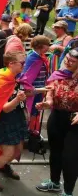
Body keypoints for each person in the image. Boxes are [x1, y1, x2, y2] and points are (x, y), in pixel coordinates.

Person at [35, 48, 78, 196]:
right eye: (67, 59)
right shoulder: (59, 74)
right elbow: (50, 90)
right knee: (56, 152)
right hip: (57, 117)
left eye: (72, 62)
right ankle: (54, 182)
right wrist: (48, 101)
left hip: (75, 123)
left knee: (70, 157)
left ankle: (68, 191)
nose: (67, 62)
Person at [0, 51, 29, 192]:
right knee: (8, 153)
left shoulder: (15, 77)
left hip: (16, 119)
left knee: (18, 151)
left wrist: (25, 108)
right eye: (22, 63)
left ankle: (4, 166)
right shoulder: (4, 78)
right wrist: (18, 99)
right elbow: (5, 108)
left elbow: (21, 93)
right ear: (11, 64)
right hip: (5, 121)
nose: (24, 65)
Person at [19, 35, 51, 132]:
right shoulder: (33, 58)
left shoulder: (37, 56)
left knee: (35, 111)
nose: (48, 47)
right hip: (34, 91)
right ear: (41, 46)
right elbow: (26, 77)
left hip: (39, 89)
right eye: (47, 45)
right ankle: (30, 131)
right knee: (32, 111)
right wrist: (31, 90)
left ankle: (32, 129)